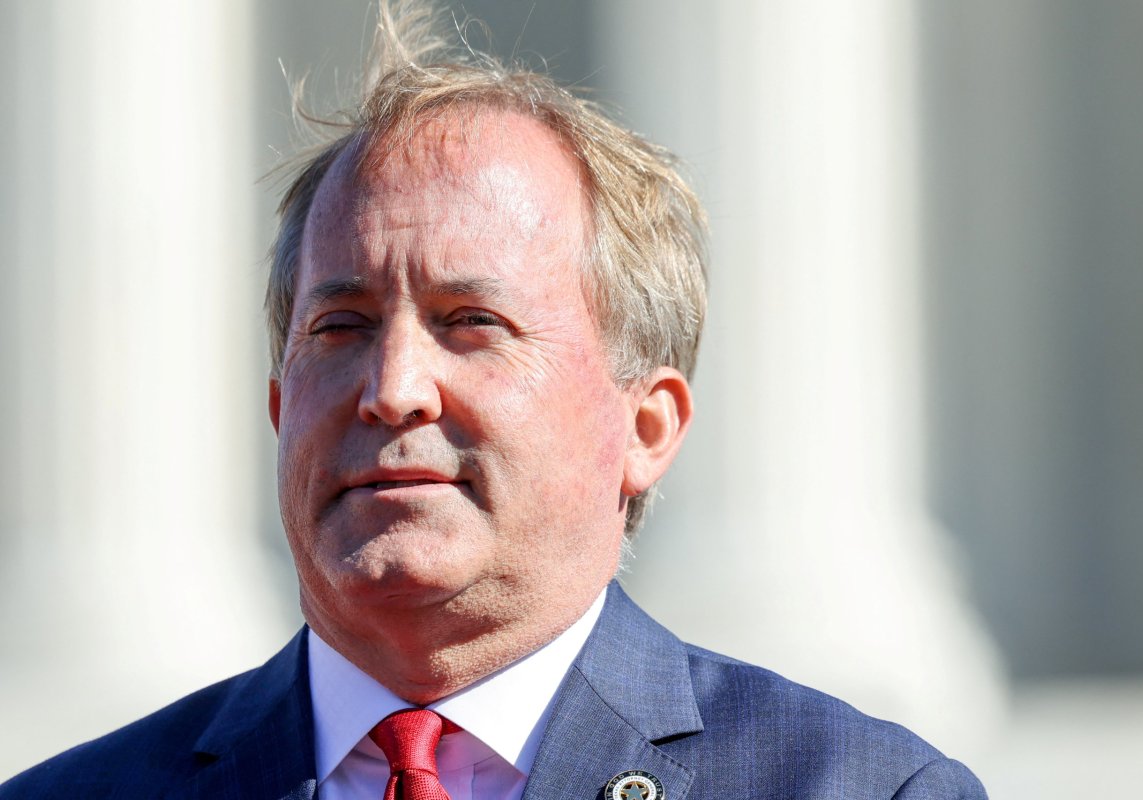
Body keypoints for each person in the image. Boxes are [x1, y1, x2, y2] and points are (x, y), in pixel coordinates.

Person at [1, 2, 987, 798]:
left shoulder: (851, 786)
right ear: (277, 407)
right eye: (340, 328)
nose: (390, 390)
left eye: (470, 320)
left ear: (647, 426)